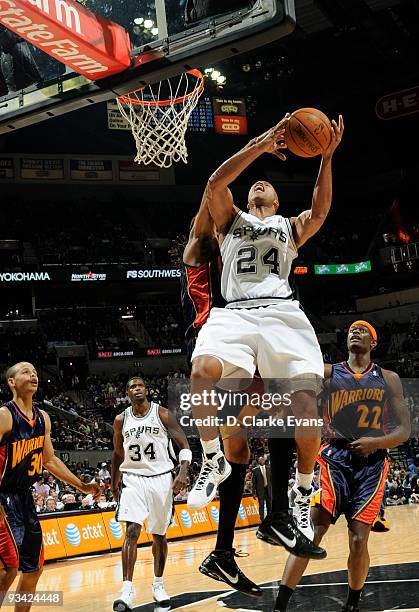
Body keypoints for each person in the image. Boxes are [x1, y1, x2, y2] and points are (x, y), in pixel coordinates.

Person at [187, 113, 344, 559]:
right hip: (234, 314)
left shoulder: (289, 226)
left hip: (281, 314)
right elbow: (216, 182)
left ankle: (301, 489)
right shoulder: (230, 219)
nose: (258, 185)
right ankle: (210, 457)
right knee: (201, 370)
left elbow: (322, 209)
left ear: (276, 198)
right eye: (254, 184)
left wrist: (326, 157)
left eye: (265, 185)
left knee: (305, 406)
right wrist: (260, 143)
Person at [275, 321, 411, 612]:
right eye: (350, 330)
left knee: (359, 539)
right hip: (334, 457)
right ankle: (280, 605)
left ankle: (351, 604)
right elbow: (293, 384)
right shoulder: (327, 372)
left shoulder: (388, 378)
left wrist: (376, 443)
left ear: (373, 343)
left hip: (372, 464)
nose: (354, 332)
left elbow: (404, 430)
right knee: (311, 532)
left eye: (362, 330)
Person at [181, 180, 262, 595]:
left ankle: (223, 553)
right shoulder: (199, 247)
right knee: (232, 446)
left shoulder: (242, 250)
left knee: (241, 449)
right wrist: (213, 188)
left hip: (242, 346)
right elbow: (208, 205)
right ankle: (209, 459)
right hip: (216, 344)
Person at [0, 362, 100, 610]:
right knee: (9, 569)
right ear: (11, 382)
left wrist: (81, 486)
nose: (33, 374)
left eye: (35, 371)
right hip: (3, 497)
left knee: (33, 570)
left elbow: (49, 460)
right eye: (25, 371)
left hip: (24, 498)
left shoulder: (43, 418)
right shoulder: (4, 415)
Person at [111, 376, 191, 611]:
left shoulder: (163, 414)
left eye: (140, 386)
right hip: (133, 479)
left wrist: (183, 472)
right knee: (132, 530)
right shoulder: (120, 420)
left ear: (146, 390)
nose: (136, 389)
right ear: (127, 393)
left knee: (159, 535)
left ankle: (158, 584)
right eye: (132, 386)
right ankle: (126, 590)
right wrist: (114, 483)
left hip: (161, 479)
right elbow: (117, 454)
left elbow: (184, 446)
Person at [252, 456, 272, 521]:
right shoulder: (255, 470)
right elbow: (254, 482)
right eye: (261, 460)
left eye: (263, 459)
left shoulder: (269, 468)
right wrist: (253, 492)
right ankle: (262, 519)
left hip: (268, 489)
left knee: (270, 505)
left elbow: (271, 480)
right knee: (261, 505)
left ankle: (270, 518)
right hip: (260, 490)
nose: (262, 461)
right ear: (258, 461)